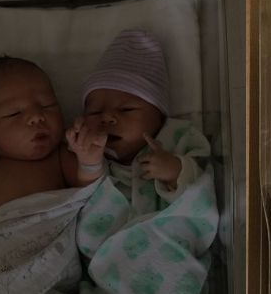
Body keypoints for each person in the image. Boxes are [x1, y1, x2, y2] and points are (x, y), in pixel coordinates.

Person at [67, 28, 210, 211]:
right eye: (94, 112)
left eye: (126, 109)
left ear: (159, 115)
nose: (107, 117)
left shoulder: (178, 136)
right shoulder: (86, 149)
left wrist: (175, 170)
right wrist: (88, 163)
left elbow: (205, 181)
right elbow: (86, 199)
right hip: (110, 236)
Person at [0, 56, 100, 220]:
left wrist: (89, 160)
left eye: (46, 105)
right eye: (14, 113)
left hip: (56, 238)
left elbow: (93, 194)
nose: (37, 117)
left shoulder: (60, 157)